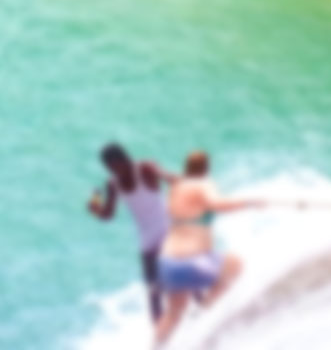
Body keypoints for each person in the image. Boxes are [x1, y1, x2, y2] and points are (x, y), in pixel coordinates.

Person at [152, 151, 262, 345]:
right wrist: (248, 203)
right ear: (206, 169)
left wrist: (161, 173)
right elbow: (216, 203)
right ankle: (203, 313)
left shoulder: (177, 188)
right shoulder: (204, 184)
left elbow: (175, 181)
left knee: (173, 315)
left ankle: (154, 347)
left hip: (167, 263)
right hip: (192, 261)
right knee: (235, 266)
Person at [87, 143, 175, 322]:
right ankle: (161, 333)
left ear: (123, 159)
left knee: (179, 272)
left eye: (113, 166)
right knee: (153, 290)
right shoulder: (113, 184)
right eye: (108, 168)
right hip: (147, 239)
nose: (112, 171)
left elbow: (170, 179)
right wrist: (96, 210)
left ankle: (206, 302)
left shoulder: (144, 168)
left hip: (167, 229)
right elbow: (109, 215)